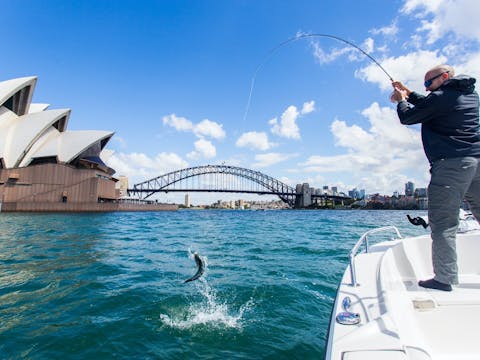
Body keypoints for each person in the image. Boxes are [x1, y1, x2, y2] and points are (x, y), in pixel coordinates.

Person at [391, 64, 480, 291]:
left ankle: (444, 278)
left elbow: (408, 117)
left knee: (443, 224)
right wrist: (409, 93)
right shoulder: (469, 95)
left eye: (429, 83)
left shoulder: (441, 97)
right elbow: (432, 103)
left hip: (451, 165)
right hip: (476, 163)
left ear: (445, 76)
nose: (428, 88)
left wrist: (401, 100)